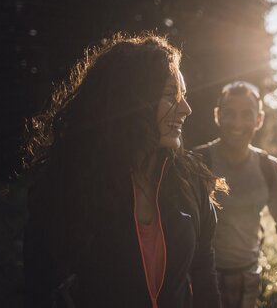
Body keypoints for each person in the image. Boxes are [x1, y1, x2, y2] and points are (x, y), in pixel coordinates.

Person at [22, 34, 227, 308]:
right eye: (170, 96)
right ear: (132, 101)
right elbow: (41, 288)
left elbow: (203, 271)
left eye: (184, 96)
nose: (186, 109)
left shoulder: (191, 179)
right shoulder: (68, 185)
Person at [194, 82, 277, 308]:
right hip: (202, 282)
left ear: (259, 119)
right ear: (218, 116)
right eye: (230, 114)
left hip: (249, 281)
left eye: (246, 114)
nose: (238, 123)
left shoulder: (269, 168)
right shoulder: (199, 162)